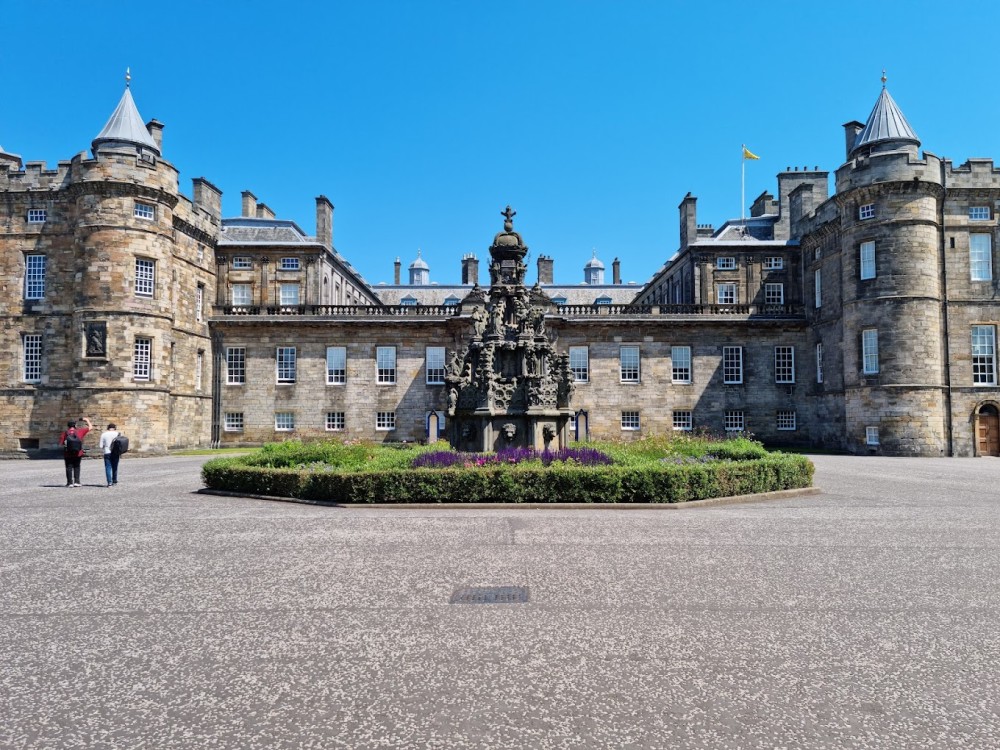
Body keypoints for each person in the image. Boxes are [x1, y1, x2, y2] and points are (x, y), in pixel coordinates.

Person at [59, 417, 92, 487]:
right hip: (78, 453)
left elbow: (61, 443)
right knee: (77, 466)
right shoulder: (80, 431)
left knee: (69, 467)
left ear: (68, 426)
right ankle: (77, 482)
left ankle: (69, 483)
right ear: (75, 425)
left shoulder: (65, 433)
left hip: (68, 453)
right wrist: (87, 420)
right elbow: (90, 427)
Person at [99, 422, 121, 487]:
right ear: (115, 428)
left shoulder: (104, 434)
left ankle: (109, 483)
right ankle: (114, 481)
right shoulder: (118, 434)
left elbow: (100, 446)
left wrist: (105, 446)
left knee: (108, 467)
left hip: (107, 452)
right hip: (116, 452)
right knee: (115, 467)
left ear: (108, 428)